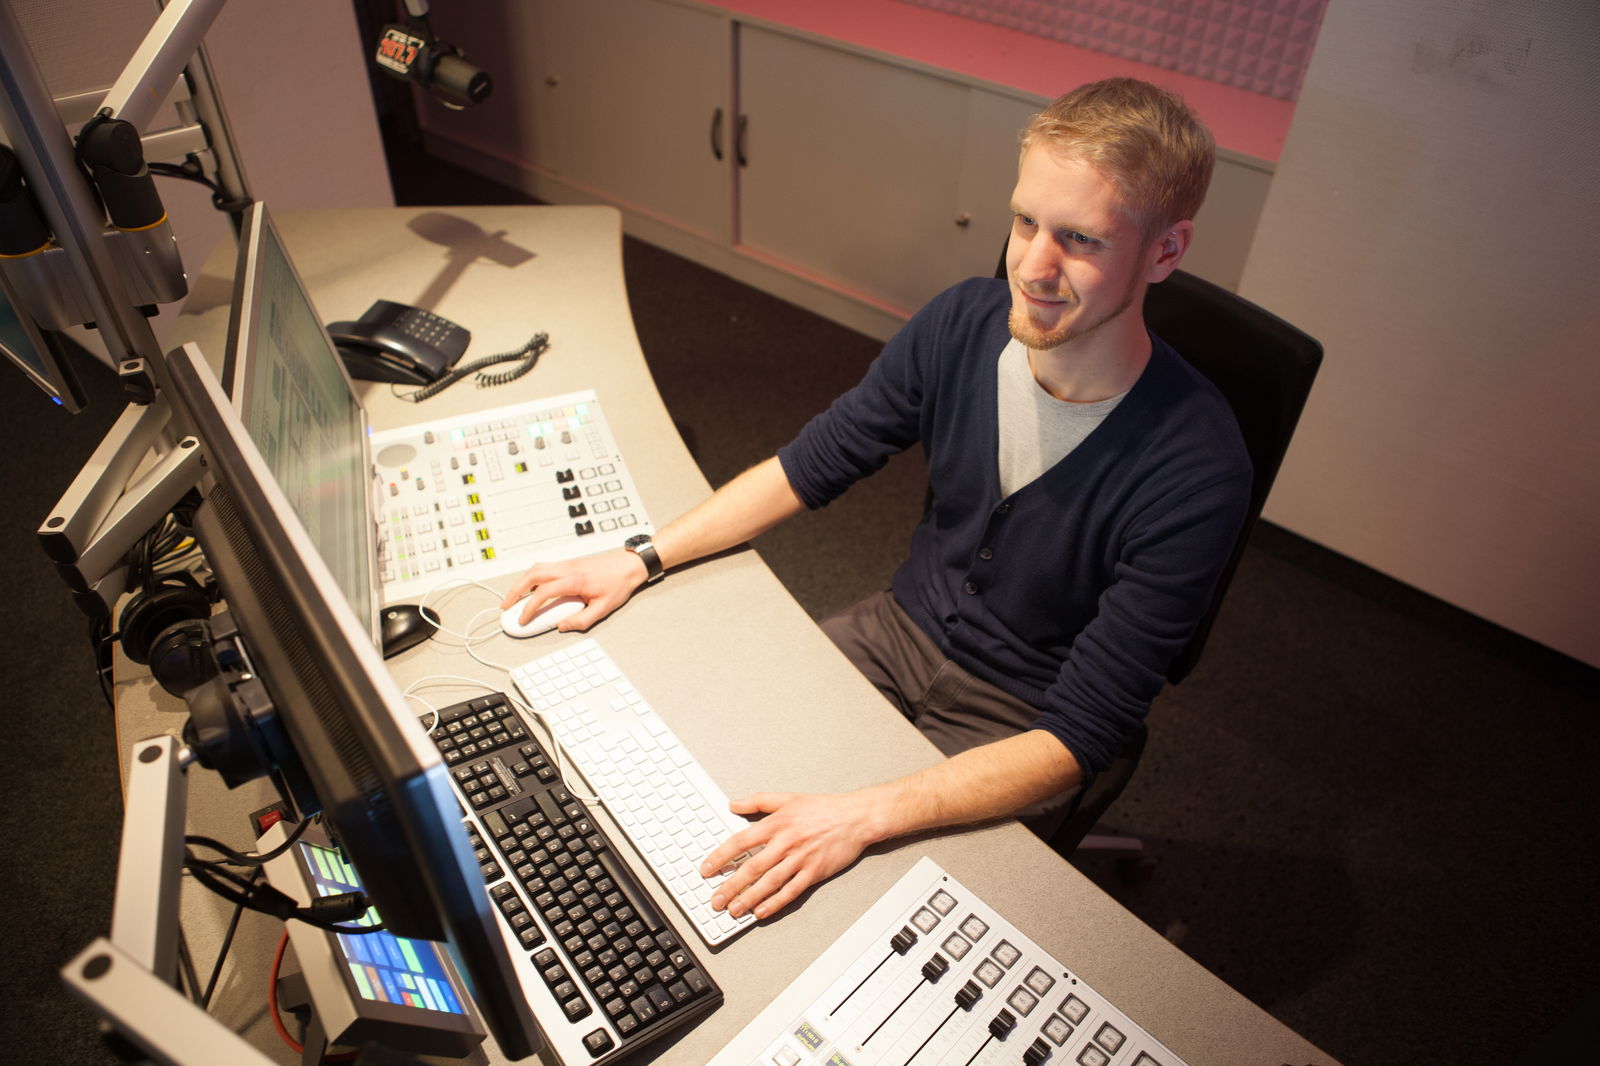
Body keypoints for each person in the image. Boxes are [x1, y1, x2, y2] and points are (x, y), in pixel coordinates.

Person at [502, 77, 1250, 924]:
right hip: (894, 630)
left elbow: (1081, 735)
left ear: (1164, 251)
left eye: (1079, 240)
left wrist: (862, 816)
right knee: (692, 776)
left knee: (843, 915)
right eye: (1024, 222)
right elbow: (812, 463)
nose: (1032, 267)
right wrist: (640, 558)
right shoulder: (963, 322)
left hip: (1021, 716)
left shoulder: (1198, 466)